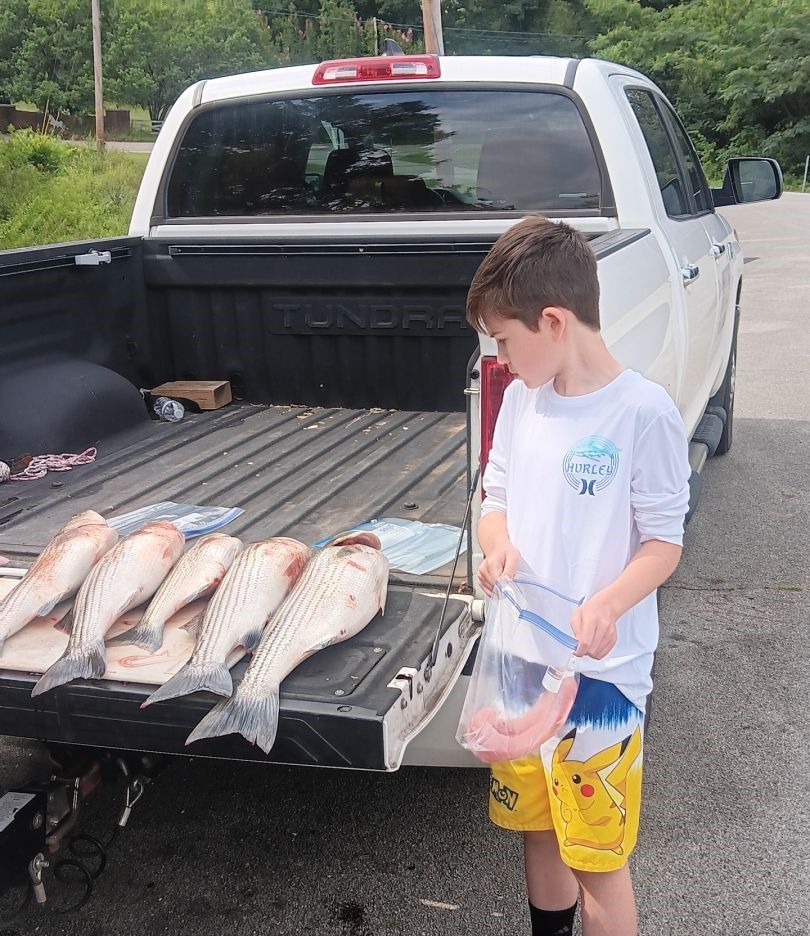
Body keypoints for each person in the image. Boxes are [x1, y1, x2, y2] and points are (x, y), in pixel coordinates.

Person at [468, 216, 691, 936]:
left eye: (504, 338)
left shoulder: (641, 414)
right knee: (538, 828)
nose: (498, 355)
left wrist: (610, 601)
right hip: (524, 665)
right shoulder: (525, 400)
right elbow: (495, 493)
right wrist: (494, 541)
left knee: (596, 856)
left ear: (553, 320)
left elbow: (663, 542)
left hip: (601, 680)